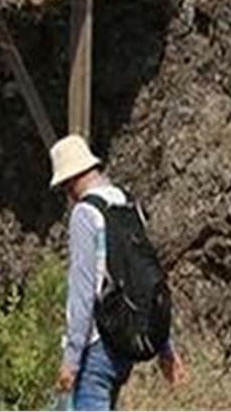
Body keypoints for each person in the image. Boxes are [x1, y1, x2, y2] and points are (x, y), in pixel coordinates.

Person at [50, 134, 186, 410]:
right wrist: (164, 346)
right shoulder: (128, 204)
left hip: (97, 344)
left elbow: (83, 293)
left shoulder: (85, 214)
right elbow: (146, 278)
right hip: (126, 340)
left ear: (70, 180)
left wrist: (71, 360)